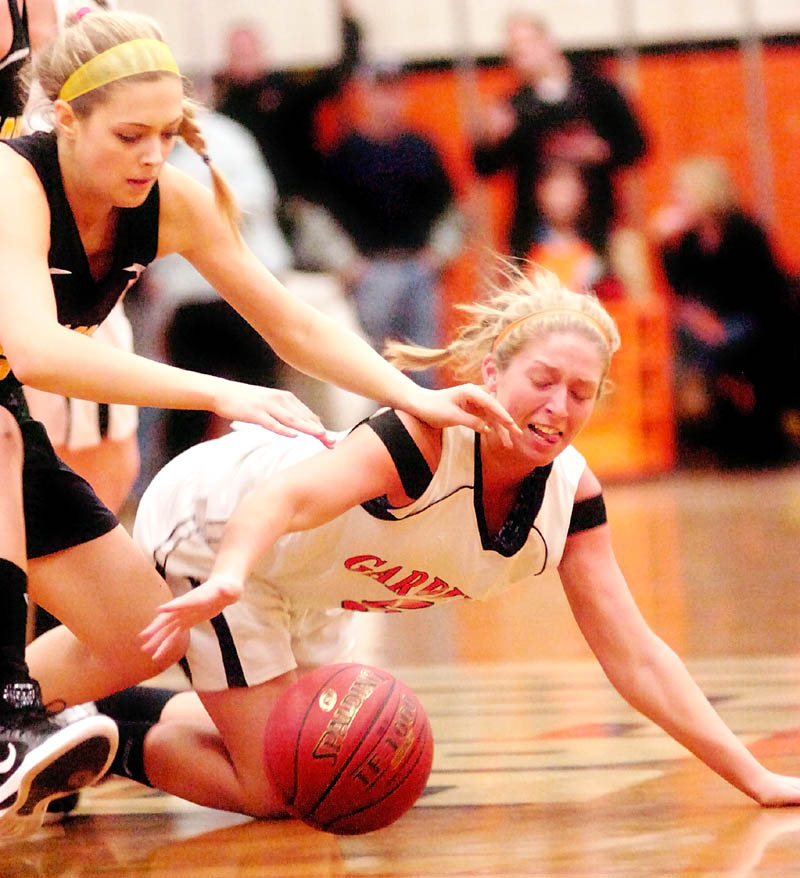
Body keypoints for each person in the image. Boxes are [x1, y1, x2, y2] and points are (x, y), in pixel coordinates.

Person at [1, 7, 515, 838]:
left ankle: (26, 713)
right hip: (9, 404)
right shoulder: (11, 182)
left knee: (146, 638)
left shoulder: (171, 198)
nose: (150, 156)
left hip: (6, 411)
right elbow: (37, 351)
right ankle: (12, 714)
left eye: (166, 134)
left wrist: (411, 393)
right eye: (129, 135)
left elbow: (293, 323)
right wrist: (219, 392)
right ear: (65, 118)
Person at [106, 265, 800, 819]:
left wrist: (754, 776)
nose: (559, 407)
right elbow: (280, 500)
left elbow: (638, 658)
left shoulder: (571, 497)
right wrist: (228, 574)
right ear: (491, 377)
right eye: (542, 381)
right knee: (280, 789)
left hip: (313, 579)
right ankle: (106, 742)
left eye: (581, 393)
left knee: (324, 753)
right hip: (221, 527)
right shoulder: (424, 442)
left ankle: (98, 714)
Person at [303, 63, 464, 388]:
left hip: (419, 270)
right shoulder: (345, 154)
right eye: (379, 93)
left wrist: (438, 255)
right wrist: (347, 265)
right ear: (366, 97)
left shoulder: (421, 149)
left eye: (394, 92)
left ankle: (426, 436)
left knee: (425, 366)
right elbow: (317, 216)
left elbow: (453, 209)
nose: (386, 102)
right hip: (371, 275)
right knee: (370, 369)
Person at [650, 154, 792, 467]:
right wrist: (662, 244)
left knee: (737, 346)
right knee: (682, 340)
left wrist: (718, 326)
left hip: (757, 319)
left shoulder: (745, 231)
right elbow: (681, 293)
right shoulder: (686, 241)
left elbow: (767, 293)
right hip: (712, 327)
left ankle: (754, 428)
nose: (676, 199)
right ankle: (712, 431)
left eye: (682, 191)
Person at [472, 12, 647, 258]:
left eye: (527, 45)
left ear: (547, 42)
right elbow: (484, 168)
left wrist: (601, 150)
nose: (522, 57)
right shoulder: (514, 107)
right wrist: (490, 140)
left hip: (597, 224)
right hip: (535, 234)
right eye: (514, 51)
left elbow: (637, 146)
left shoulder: (598, 91)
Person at [212, 1, 361, 211]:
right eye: (238, 54)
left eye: (248, 52)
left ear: (261, 52)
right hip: (255, 207)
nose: (244, 60)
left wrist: (348, 23)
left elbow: (338, 76)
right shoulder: (224, 111)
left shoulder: (286, 91)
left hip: (303, 200)